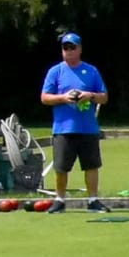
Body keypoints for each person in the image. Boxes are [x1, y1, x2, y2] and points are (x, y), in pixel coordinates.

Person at [39, 31, 109, 212]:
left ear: (80, 49)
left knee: (92, 166)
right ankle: (60, 200)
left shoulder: (91, 71)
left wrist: (90, 95)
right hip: (63, 128)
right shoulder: (56, 71)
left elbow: (104, 97)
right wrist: (63, 98)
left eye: (72, 47)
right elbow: (45, 98)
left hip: (88, 128)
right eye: (65, 48)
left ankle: (93, 200)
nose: (69, 51)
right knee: (61, 167)